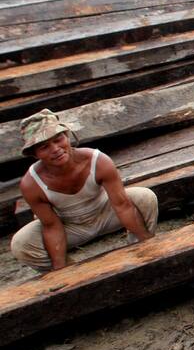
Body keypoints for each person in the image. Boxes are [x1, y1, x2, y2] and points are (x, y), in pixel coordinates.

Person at [11, 110, 158, 272]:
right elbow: (51, 226)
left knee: (145, 197)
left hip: (107, 213)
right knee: (22, 243)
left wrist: (147, 245)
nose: (55, 149)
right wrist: (60, 270)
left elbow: (122, 205)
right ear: (35, 154)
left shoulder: (97, 160)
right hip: (70, 227)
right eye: (44, 147)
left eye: (58, 139)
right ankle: (71, 271)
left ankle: (138, 247)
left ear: (67, 136)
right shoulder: (31, 183)